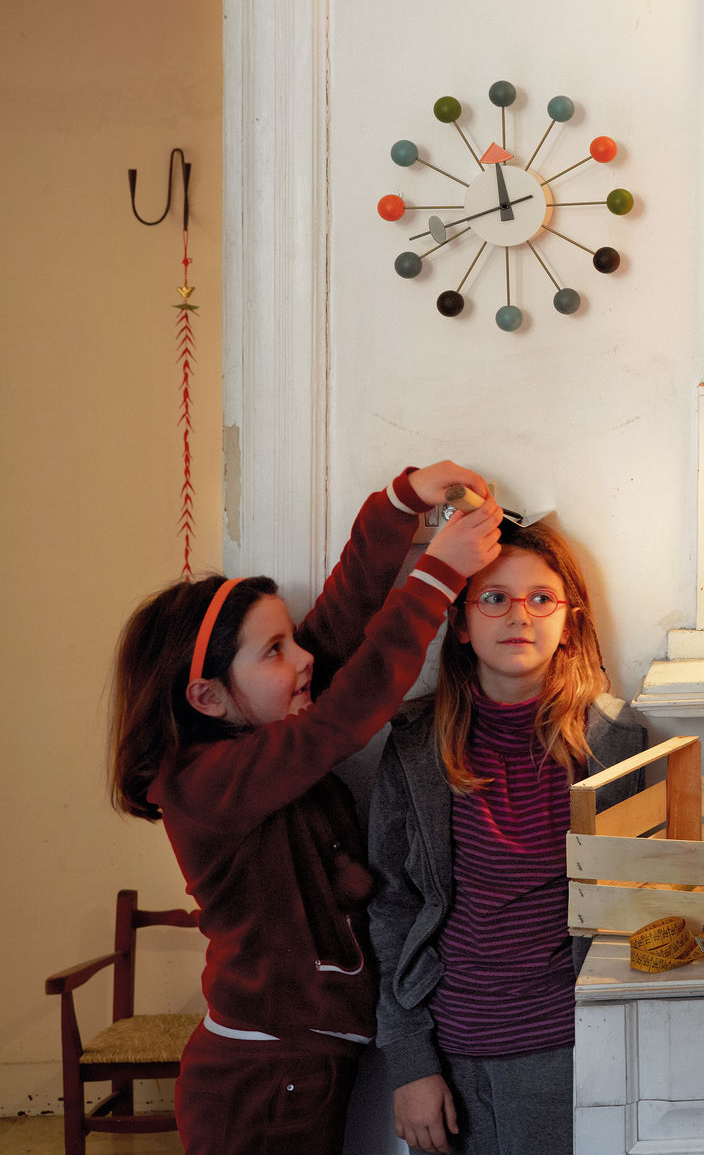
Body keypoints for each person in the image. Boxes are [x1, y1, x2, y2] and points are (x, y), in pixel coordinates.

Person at [110, 462, 505, 1155]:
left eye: (291, 637)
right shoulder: (208, 782)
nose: (303, 659)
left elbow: (343, 620)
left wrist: (399, 504)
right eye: (275, 650)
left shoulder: (258, 734)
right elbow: (342, 718)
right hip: (260, 1079)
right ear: (207, 697)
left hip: (290, 1063)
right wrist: (438, 575)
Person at [368, 519, 648, 1155]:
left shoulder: (613, 745)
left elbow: (637, 909)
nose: (519, 615)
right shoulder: (415, 748)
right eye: (494, 597)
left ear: (568, 622)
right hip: (449, 1059)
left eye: (541, 598)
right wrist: (409, 1062)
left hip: (571, 1049)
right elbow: (391, 909)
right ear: (462, 623)